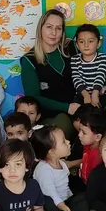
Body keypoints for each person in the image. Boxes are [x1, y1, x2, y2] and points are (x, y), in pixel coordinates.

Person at [31, 125, 94, 211]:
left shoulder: (60, 162)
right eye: (64, 141)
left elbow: (69, 165)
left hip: (64, 201)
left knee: (83, 198)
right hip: (51, 206)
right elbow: (50, 192)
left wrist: (84, 160)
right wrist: (61, 205)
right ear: (52, 152)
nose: (68, 142)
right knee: (53, 208)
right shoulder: (44, 169)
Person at [19, 9, 78, 137]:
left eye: (58, 28)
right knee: (60, 127)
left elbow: (101, 62)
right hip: (51, 116)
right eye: (49, 27)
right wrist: (67, 107)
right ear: (41, 29)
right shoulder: (30, 59)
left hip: (79, 110)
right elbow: (33, 97)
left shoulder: (72, 48)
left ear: (62, 32)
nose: (53, 33)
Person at [70, 24, 106, 109]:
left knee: (98, 116)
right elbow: (76, 78)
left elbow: (100, 75)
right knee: (79, 115)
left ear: (98, 43)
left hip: (99, 94)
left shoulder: (103, 58)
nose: (86, 45)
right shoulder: (74, 60)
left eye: (90, 41)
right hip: (82, 94)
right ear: (77, 45)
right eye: (81, 42)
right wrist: (86, 95)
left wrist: (95, 94)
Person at [78, 109, 106, 184]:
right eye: (80, 130)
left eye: (84, 132)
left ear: (98, 137)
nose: (79, 135)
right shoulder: (87, 144)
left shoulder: (97, 158)